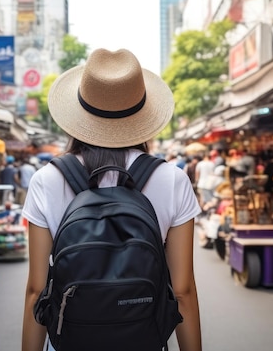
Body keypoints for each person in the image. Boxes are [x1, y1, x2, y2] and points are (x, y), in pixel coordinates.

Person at [21, 48, 202, 351]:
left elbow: (36, 290)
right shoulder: (173, 179)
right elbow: (182, 290)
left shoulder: (46, 179)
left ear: (79, 114)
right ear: (142, 115)